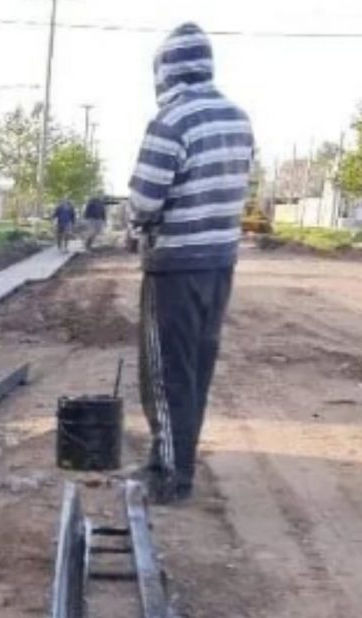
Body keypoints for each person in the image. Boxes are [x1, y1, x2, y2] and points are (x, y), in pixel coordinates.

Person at [128, 22, 254, 503]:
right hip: (220, 263)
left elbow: (143, 200)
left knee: (164, 372)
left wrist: (133, 221)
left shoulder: (172, 121)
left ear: (166, 71)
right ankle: (174, 461)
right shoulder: (238, 119)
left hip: (175, 265)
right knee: (196, 368)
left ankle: (171, 477)